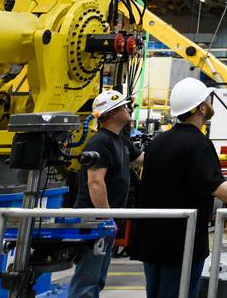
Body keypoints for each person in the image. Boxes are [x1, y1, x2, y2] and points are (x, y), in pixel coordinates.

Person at [131, 78, 227, 298]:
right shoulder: (197, 143)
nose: (211, 102)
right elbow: (215, 185)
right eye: (208, 99)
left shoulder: (160, 141)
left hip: (151, 239)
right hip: (180, 243)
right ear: (201, 107)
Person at [69, 89, 142, 298]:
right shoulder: (101, 142)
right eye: (123, 106)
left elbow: (141, 158)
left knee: (97, 276)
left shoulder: (120, 140)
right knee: (87, 278)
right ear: (111, 113)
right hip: (95, 220)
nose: (128, 108)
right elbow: (95, 182)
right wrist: (107, 216)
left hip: (105, 220)